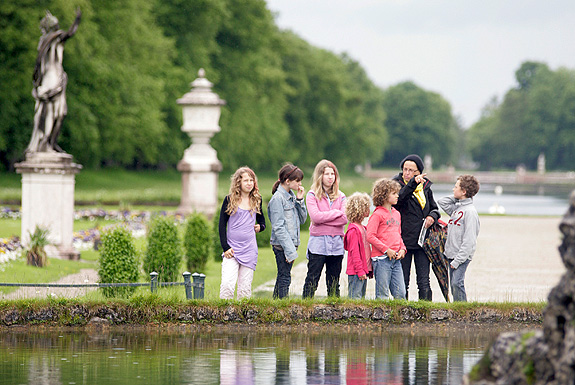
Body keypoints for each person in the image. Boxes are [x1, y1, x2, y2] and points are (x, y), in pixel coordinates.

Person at [27, 9, 81, 154]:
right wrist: (77, 20)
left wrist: (77, 21)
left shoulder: (54, 39)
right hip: (50, 80)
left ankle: (51, 142)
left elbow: (69, 33)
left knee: (61, 113)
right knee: (49, 112)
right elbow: (70, 33)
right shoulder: (48, 40)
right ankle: (45, 143)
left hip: (56, 78)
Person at [392, 154, 440, 301]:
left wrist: (432, 216)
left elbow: (435, 208)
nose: (407, 173)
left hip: (422, 240)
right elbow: (398, 201)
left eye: (411, 170)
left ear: (418, 172)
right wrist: (412, 183)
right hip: (403, 240)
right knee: (402, 281)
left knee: (424, 280)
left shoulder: (425, 187)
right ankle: (401, 310)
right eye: (405, 169)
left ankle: (425, 310)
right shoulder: (396, 184)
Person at [218, 167, 266, 299]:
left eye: (252, 180)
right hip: (232, 250)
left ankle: (242, 317)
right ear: (238, 182)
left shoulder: (257, 199)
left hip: (249, 249)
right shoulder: (229, 200)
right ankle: (224, 315)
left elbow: (262, 221)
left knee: (244, 289)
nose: (249, 183)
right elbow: (222, 225)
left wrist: (260, 227)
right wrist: (225, 247)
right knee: (227, 284)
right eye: (246, 180)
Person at [302, 160, 347, 298]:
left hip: (336, 245)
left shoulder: (341, 196)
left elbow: (344, 219)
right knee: (312, 279)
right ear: (320, 176)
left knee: (333, 281)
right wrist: (336, 213)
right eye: (326, 173)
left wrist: (325, 219)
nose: (330, 177)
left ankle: (334, 310)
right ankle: (306, 307)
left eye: (332, 173)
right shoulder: (311, 195)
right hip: (318, 244)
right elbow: (315, 218)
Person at [438, 175, 480, 302]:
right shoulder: (457, 208)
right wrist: (460, 198)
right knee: (453, 285)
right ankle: (457, 309)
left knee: (457, 283)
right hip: (451, 254)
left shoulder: (470, 212)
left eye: (456, 187)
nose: (453, 189)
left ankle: (462, 310)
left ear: (464, 191)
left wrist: (457, 261)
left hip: (461, 256)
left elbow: (469, 240)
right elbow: (442, 202)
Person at [268, 164, 307, 299]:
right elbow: (278, 227)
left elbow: (302, 220)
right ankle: (282, 308)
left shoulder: (291, 197)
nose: (300, 184)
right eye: (297, 180)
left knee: (282, 277)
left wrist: (300, 200)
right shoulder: (277, 199)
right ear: (287, 180)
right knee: (285, 278)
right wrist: (289, 250)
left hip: (290, 244)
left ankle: (276, 306)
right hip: (282, 245)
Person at [367, 178, 407, 300]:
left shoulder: (397, 214)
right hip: (381, 260)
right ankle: (381, 319)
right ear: (384, 195)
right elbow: (370, 236)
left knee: (401, 294)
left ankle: (399, 318)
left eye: (397, 193)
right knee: (382, 295)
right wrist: (386, 250)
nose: (397, 196)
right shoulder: (377, 214)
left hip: (396, 259)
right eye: (394, 193)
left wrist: (402, 249)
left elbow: (398, 234)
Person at [344, 192, 372, 299]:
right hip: (357, 271)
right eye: (366, 208)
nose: (369, 210)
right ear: (359, 209)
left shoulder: (363, 228)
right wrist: (360, 270)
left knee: (361, 298)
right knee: (355, 298)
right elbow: (354, 253)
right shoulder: (353, 230)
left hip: (363, 270)